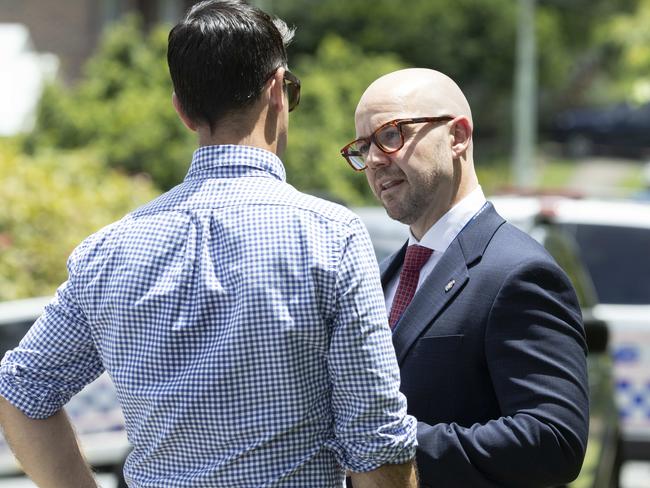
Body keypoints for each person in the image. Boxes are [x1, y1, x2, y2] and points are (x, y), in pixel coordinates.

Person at [0, 2, 419, 487]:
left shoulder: (106, 253)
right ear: (277, 90)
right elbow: (375, 442)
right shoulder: (330, 237)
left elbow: (21, 390)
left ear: (182, 109)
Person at [340, 68, 589, 488]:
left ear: (457, 136)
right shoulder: (383, 275)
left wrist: (392, 446)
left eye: (391, 134)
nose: (376, 160)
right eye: (363, 148)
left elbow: (554, 440)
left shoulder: (519, 271)